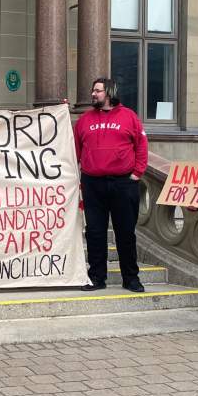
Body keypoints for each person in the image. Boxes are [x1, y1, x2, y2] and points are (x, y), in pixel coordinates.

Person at [73, 78, 148, 293]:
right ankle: (97, 277)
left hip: (123, 183)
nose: (93, 94)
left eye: (97, 91)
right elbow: (75, 150)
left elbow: (141, 146)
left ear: (109, 92)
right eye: (93, 90)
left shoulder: (129, 117)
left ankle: (131, 278)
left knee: (125, 232)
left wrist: (137, 173)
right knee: (95, 233)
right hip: (92, 183)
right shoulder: (84, 120)